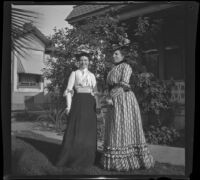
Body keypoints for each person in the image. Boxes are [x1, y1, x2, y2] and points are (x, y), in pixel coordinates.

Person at [101, 45, 155, 171]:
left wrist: (110, 97)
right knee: (116, 127)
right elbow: (110, 85)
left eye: (116, 54)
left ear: (123, 56)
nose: (113, 56)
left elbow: (124, 85)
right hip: (114, 101)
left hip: (124, 99)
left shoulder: (126, 67)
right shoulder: (113, 69)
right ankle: (116, 160)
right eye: (113, 54)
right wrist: (107, 96)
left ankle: (131, 159)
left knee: (125, 126)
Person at [56, 50, 99, 169]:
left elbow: (95, 93)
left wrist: (98, 106)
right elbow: (69, 91)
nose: (83, 62)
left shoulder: (92, 76)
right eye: (81, 60)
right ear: (78, 62)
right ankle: (72, 157)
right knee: (76, 129)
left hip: (90, 105)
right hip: (78, 103)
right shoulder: (74, 73)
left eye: (86, 60)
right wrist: (68, 106)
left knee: (87, 131)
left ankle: (88, 159)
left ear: (89, 62)